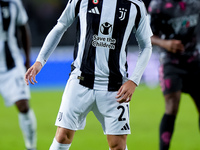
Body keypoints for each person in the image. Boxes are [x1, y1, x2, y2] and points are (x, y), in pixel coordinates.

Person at [25, 0, 152, 149]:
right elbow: (60, 27)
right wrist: (40, 61)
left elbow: (146, 45)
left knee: (118, 145)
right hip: (80, 80)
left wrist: (134, 81)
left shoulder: (135, 5)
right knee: (62, 135)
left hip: (115, 88)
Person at [148, 0, 200, 149]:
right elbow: (147, 35)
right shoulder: (158, 6)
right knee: (172, 106)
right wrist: (166, 44)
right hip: (171, 62)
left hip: (194, 60)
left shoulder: (195, 3)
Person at [0, 0, 37, 150]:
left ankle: (31, 146)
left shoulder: (14, 3)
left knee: (23, 105)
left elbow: (24, 28)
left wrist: (27, 60)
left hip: (12, 65)